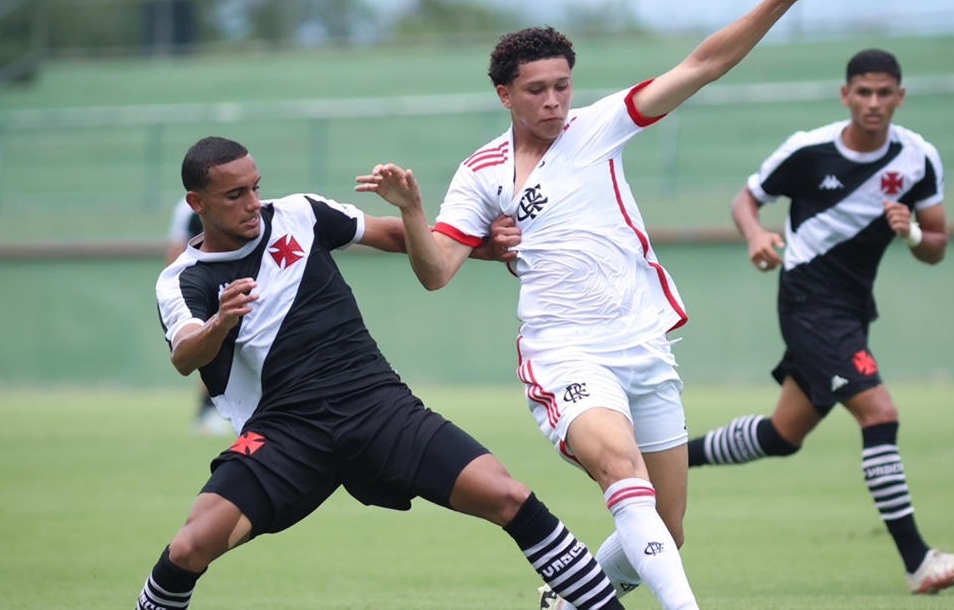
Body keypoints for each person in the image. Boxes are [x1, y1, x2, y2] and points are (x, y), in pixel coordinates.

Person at [355, 0, 841, 610]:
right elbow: (437, 270)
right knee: (620, 469)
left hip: (641, 341)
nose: (554, 100)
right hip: (564, 349)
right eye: (536, 90)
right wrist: (413, 210)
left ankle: (566, 599)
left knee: (667, 529)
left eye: (562, 85)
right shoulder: (481, 173)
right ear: (504, 94)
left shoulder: (599, 126)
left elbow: (705, 64)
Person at [138, 136, 629, 610]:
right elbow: (185, 356)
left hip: (377, 406)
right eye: (234, 194)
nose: (252, 202)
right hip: (286, 432)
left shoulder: (300, 214)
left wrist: (461, 233)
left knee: (509, 496)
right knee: (188, 549)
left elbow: (398, 237)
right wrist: (222, 321)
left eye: (256, 187)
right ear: (197, 203)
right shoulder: (183, 279)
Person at [685, 49, 954, 594]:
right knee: (880, 413)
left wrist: (912, 233)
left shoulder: (918, 160)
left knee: (782, 435)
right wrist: (756, 235)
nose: (874, 103)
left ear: (900, 96)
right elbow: (745, 201)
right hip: (807, 304)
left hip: (851, 310)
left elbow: (938, 245)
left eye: (885, 93)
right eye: (864, 93)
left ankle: (663, 457)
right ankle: (920, 561)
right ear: (846, 95)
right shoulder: (808, 150)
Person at [165, 199, 232, 436]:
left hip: (236, 282)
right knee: (212, 347)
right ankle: (207, 412)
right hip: (206, 290)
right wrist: (181, 297)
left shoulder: (244, 205)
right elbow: (176, 251)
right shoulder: (187, 210)